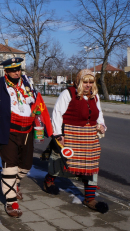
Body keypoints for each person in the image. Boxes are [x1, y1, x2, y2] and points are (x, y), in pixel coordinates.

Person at [43, 69, 108, 213]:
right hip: (70, 134)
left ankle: (90, 198)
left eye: (91, 82)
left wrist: (101, 125)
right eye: (85, 82)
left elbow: (99, 113)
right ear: (79, 81)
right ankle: (48, 181)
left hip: (89, 136)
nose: (88, 85)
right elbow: (57, 113)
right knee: (62, 162)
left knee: (91, 165)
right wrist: (59, 134)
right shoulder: (68, 93)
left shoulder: (94, 96)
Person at [0, 57, 38, 218]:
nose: (16, 72)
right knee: (10, 166)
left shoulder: (27, 82)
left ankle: (13, 184)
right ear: (6, 71)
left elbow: (36, 105)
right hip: (7, 131)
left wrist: (40, 123)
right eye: (13, 70)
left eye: (18, 69)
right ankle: (11, 202)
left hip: (27, 131)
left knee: (26, 165)